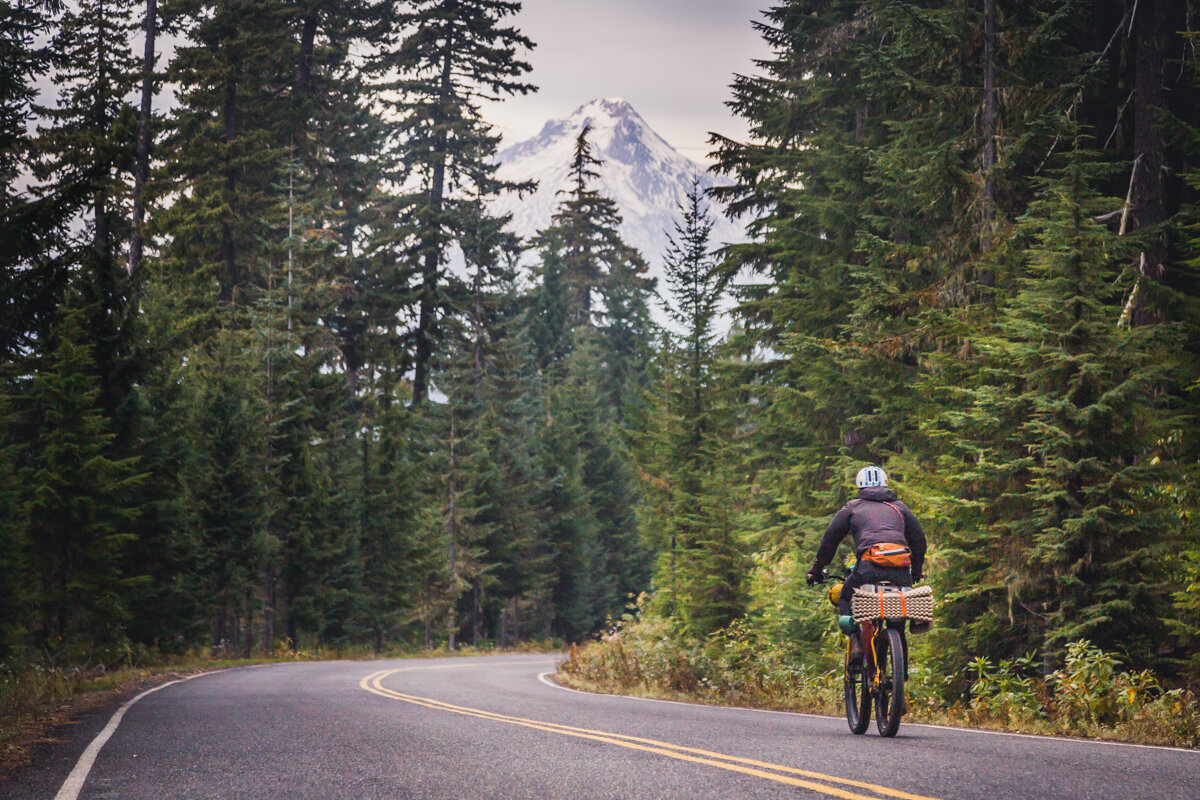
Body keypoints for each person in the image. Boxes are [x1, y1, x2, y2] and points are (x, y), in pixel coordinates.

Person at [805, 465, 926, 635]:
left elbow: (830, 541)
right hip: (901, 569)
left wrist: (816, 570)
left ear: (860, 485)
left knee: (846, 596)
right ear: (885, 484)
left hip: (868, 568)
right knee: (900, 618)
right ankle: (900, 654)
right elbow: (919, 541)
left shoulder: (852, 507)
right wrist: (916, 571)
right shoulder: (900, 507)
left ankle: (855, 648)